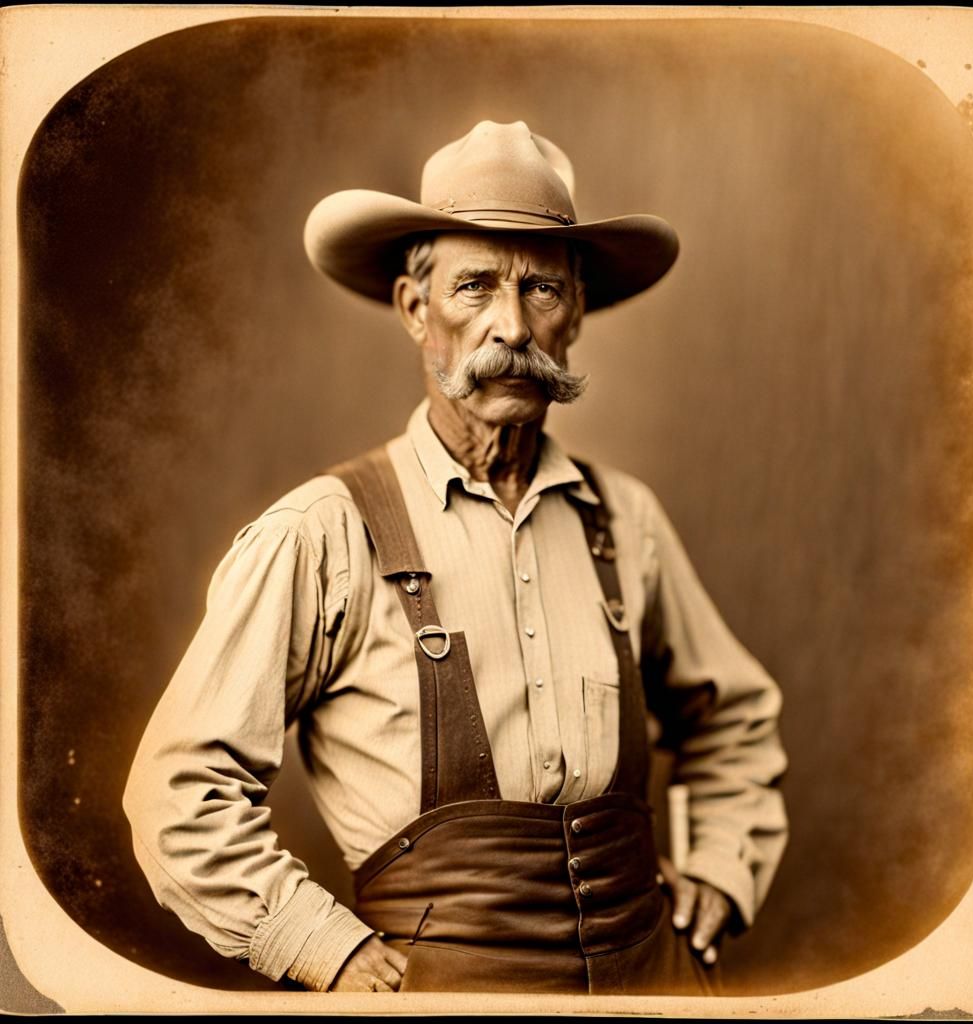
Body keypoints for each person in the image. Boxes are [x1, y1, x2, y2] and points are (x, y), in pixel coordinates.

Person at [123, 120, 788, 996]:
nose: (510, 326)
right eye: (474, 286)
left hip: (651, 984)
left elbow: (731, 718)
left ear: (578, 312)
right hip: (439, 1001)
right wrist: (323, 945)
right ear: (414, 308)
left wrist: (718, 867)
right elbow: (179, 791)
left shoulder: (625, 520)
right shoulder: (323, 535)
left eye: (542, 289)